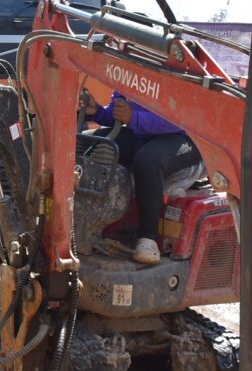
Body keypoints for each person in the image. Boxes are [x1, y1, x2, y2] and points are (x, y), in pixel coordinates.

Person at [84, 91, 202, 265]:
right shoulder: (128, 70)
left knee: (147, 160)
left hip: (184, 137)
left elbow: (180, 119)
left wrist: (134, 119)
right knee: (85, 143)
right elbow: (121, 112)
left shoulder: (181, 69)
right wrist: (98, 112)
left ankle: (148, 238)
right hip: (143, 133)